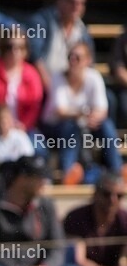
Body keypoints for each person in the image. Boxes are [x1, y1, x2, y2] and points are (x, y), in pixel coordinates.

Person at [41, 43, 123, 186]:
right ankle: (68, 172)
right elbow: (60, 111)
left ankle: (117, 171)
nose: (73, 61)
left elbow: (102, 110)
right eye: (70, 57)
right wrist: (84, 114)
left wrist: (89, 117)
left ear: (87, 60)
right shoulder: (57, 77)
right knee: (71, 127)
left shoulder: (94, 77)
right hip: (53, 127)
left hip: (83, 125)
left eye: (77, 57)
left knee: (106, 125)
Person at [63, 173, 127, 266]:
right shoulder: (76, 218)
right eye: (107, 194)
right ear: (95, 194)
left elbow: (124, 257)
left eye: (120, 195)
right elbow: (79, 260)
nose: (113, 200)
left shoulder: (124, 219)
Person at [0, 33, 45, 146]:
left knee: (39, 151)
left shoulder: (32, 74)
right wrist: (3, 123)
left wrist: (23, 125)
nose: (15, 51)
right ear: (3, 48)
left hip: (25, 128)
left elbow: (35, 106)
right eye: (10, 47)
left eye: (20, 47)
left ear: (25, 51)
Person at [28, 0, 93, 89]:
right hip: (43, 85)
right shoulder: (41, 21)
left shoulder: (83, 31)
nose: (76, 7)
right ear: (59, 1)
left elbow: (89, 63)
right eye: (72, 2)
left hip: (73, 87)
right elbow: (35, 57)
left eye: (81, 3)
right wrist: (51, 88)